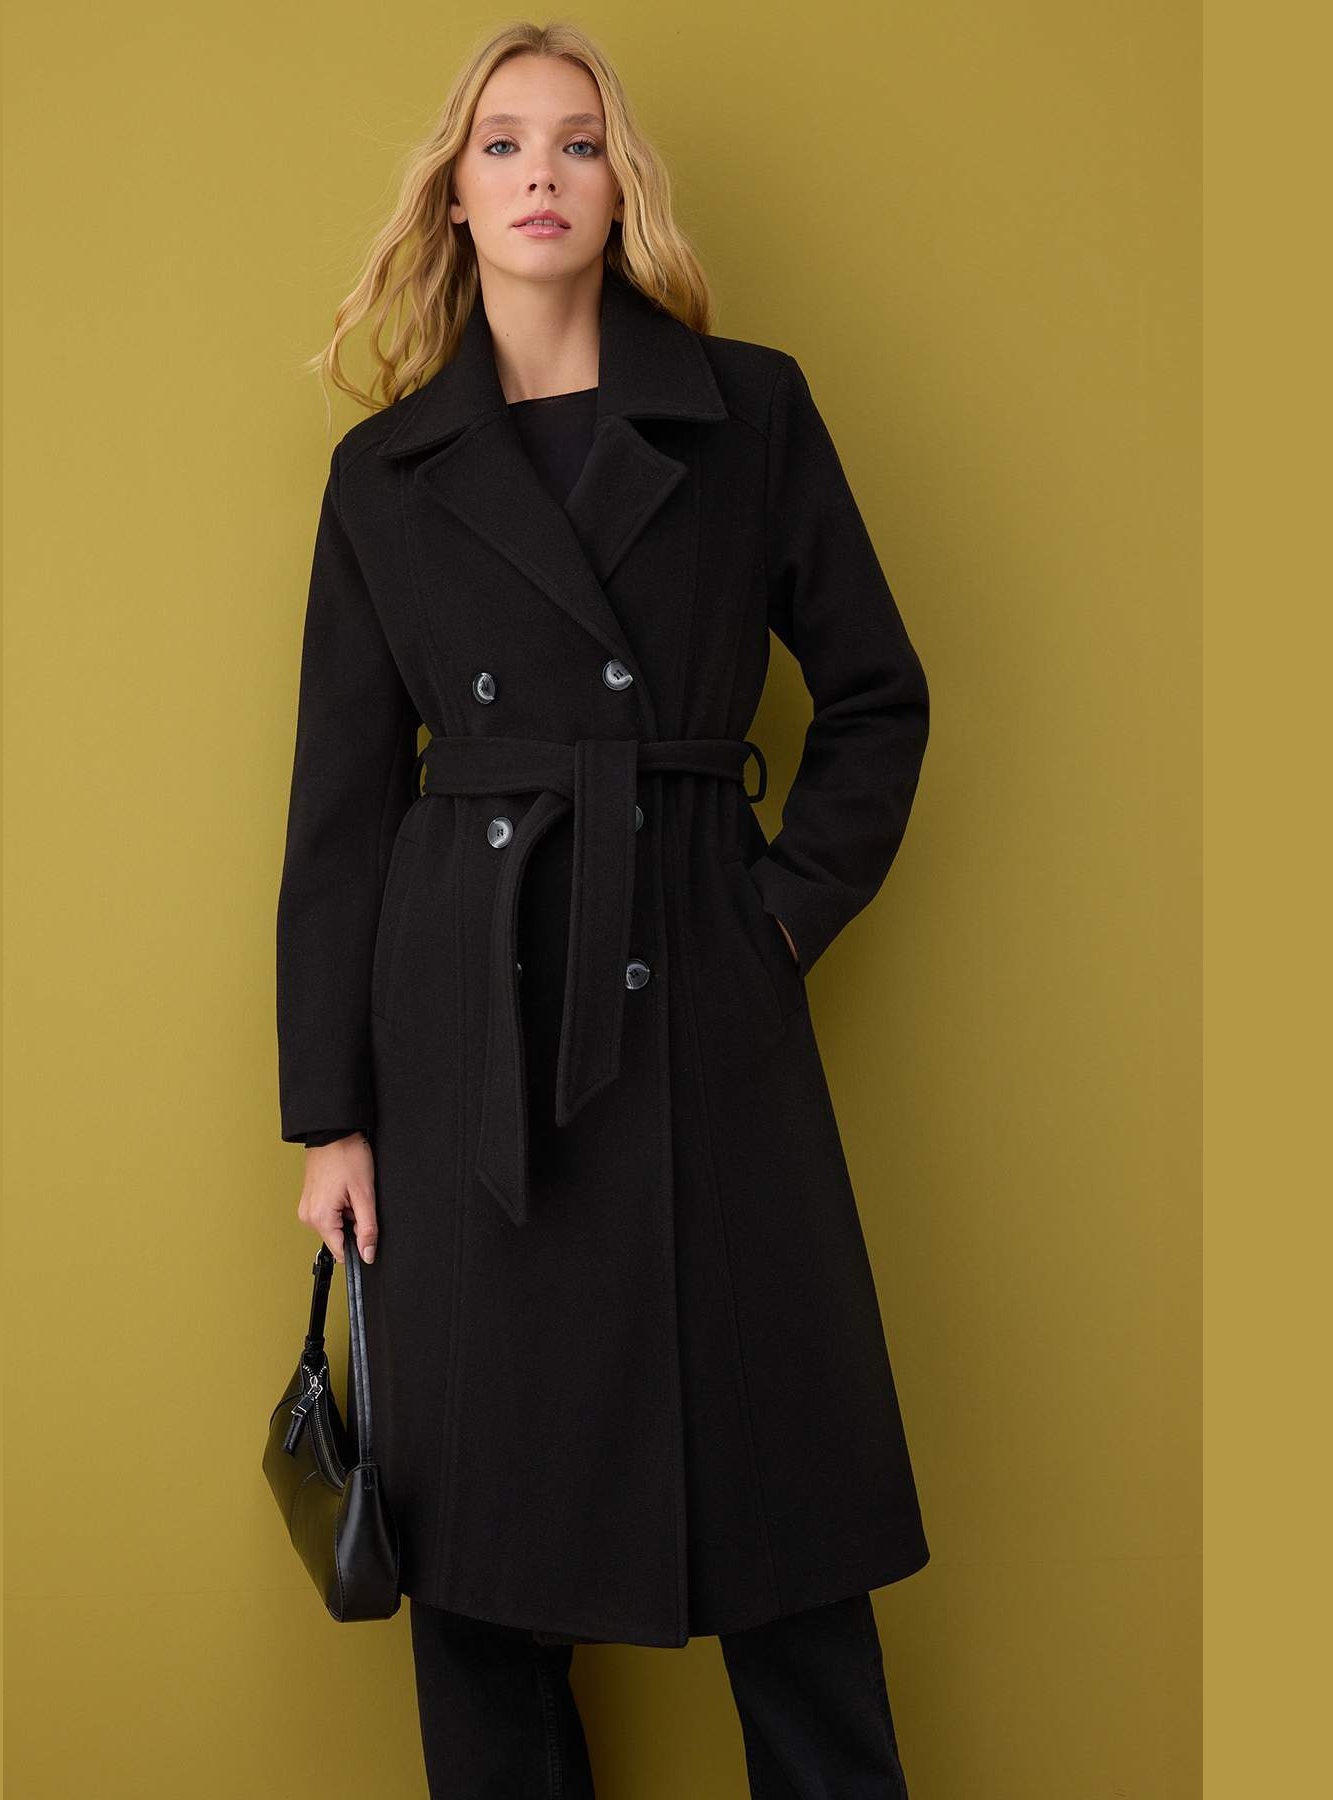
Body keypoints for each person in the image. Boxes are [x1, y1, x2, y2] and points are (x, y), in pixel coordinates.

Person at [277, 21, 932, 1797]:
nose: (540, 175)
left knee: (784, 1508)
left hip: (700, 988)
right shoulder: (387, 475)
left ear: (618, 187)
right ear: (454, 194)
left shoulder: (749, 413)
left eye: (576, 143)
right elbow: (341, 807)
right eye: (501, 144)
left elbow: (878, 695)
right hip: (465, 1028)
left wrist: (773, 920)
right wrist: (331, 1113)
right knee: (481, 1530)